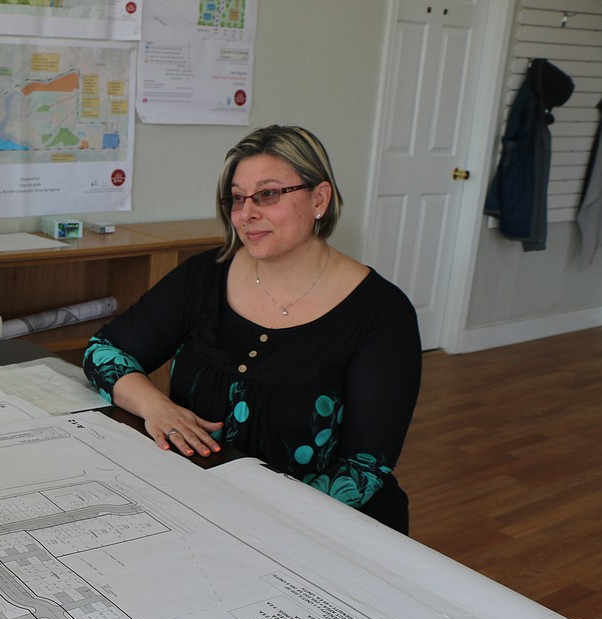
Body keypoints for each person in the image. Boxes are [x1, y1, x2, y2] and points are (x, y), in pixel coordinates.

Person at [84, 125, 421, 534]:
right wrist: (157, 407)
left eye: (268, 194)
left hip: (320, 530)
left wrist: (258, 520)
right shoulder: (205, 275)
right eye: (237, 198)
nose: (247, 213)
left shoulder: (382, 313)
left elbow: (365, 468)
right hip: (203, 510)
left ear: (319, 198)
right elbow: (104, 352)